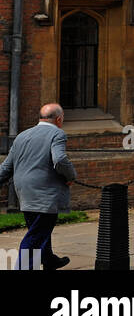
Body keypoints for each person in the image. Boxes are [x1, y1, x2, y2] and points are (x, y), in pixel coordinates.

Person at [0, 102, 77, 270]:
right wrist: (71, 176)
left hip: (24, 192)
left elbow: (6, 167)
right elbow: (60, 160)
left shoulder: (22, 135)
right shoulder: (58, 134)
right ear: (58, 119)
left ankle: (49, 260)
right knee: (35, 236)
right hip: (45, 193)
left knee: (39, 230)